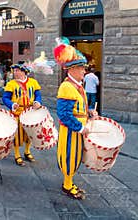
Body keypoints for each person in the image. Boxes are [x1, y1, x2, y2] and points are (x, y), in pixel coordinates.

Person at [54, 37, 98, 200]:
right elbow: (64, 114)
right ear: (71, 70)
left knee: (76, 156)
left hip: (78, 129)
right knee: (69, 156)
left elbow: (79, 108)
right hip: (71, 130)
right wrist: (79, 127)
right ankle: (67, 185)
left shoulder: (78, 86)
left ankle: (69, 182)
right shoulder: (66, 87)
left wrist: (90, 113)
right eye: (81, 69)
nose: (84, 72)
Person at [2, 63, 42, 166]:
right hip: (17, 113)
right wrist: (12, 104)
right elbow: (5, 98)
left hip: (30, 112)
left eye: (17, 70)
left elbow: (38, 95)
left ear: (24, 72)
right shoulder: (11, 84)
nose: (15, 72)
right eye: (14, 71)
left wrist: (37, 102)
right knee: (17, 134)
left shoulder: (33, 82)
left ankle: (27, 151)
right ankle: (17, 154)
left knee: (30, 133)